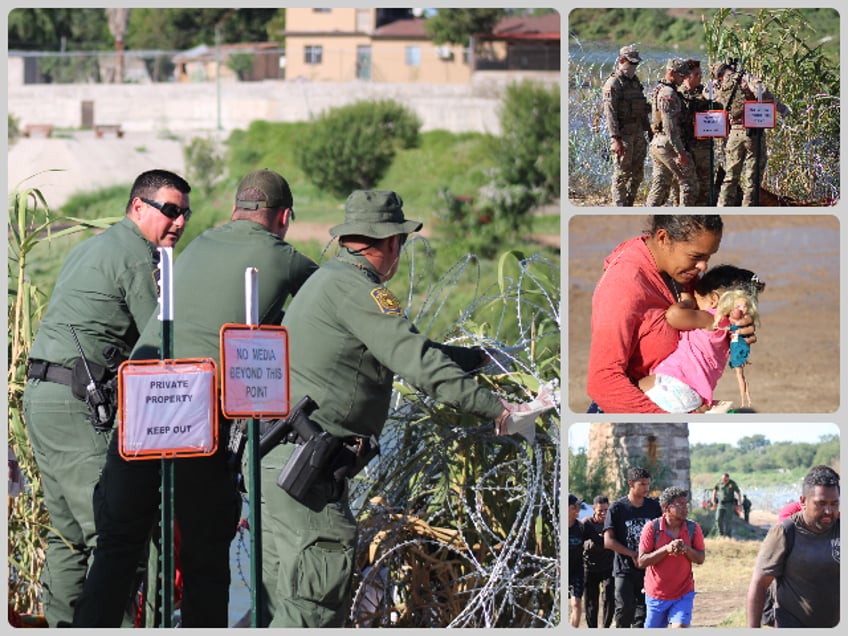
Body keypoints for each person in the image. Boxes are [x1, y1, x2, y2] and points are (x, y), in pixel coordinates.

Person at [258, 189, 528, 627]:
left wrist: (477, 358)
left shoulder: (331, 280)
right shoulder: (358, 290)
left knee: (285, 606)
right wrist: (498, 409)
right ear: (391, 243)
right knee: (312, 609)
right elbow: (417, 363)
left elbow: (411, 349)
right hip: (306, 476)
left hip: (285, 466)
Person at [73, 169, 319, 627]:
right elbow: (328, 306)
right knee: (205, 552)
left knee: (118, 546)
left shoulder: (201, 244)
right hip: (195, 410)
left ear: (233, 212)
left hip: (142, 399)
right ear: (284, 217)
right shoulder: (284, 258)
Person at [21, 169, 192, 627]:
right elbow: (162, 340)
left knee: (67, 536)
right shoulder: (140, 258)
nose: (178, 223)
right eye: (170, 211)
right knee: (113, 535)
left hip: (43, 396)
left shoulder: (93, 247)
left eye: (185, 215)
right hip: (78, 401)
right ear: (138, 207)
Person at [586, 215, 757, 413]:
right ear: (663, 238)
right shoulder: (624, 286)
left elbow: (706, 317)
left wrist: (738, 326)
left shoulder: (680, 273)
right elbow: (603, 381)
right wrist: (668, 421)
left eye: (708, 257)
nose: (703, 267)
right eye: (696, 256)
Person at [637, 264, 765, 413]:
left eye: (697, 299)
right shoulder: (729, 331)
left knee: (630, 390)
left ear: (713, 300)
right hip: (694, 396)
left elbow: (673, 316)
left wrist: (687, 302)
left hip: (673, 384)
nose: (695, 307)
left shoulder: (711, 318)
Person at [746, 465, 839, 627]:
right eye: (821, 503)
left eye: (834, 503)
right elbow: (759, 584)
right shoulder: (785, 532)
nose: (829, 511)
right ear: (803, 501)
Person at [713, 60, 789, 206]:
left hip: (734, 134)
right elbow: (763, 92)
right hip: (752, 131)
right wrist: (781, 109)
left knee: (730, 176)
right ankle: (748, 209)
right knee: (752, 178)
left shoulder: (719, 85)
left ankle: (722, 207)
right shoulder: (744, 78)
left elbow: (711, 99)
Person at [637, 487, 706, 628]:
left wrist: (686, 549)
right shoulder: (652, 528)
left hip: (683, 592)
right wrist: (666, 549)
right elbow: (642, 561)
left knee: (680, 627)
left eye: (686, 504)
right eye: (680, 504)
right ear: (666, 507)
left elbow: (700, 558)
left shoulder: (693, 528)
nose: (685, 508)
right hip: (656, 594)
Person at [603, 466, 662, 628]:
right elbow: (608, 541)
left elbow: (660, 534)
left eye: (648, 484)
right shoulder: (617, 508)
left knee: (644, 614)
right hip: (624, 569)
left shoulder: (653, 507)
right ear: (631, 484)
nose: (646, 488)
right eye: (642, 484)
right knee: (625, 610)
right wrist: (633, 554)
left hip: (648, 569)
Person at [602, 44, 652, 206]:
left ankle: (629, 202)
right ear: (622, 60)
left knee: (638, 173)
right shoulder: (614, 83)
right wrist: (615, 138)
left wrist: (649, 129)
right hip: (623, 135)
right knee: (621, 174)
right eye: (631, 63)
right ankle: (620, 204)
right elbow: (610, 113)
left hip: (638, 132)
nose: (634, 67)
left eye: (636, 64)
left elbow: (642, 107)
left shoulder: (635, 82)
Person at [646, 58, 697, 207]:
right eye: (681, 76)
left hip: (658, 143)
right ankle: (685, 217)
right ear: (671, 72)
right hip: (667, 143)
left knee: (660, 183)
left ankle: (649, 211)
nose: (683, 79)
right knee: (689, 182)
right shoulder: (668, 93)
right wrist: (680, 151)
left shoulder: (660, 89)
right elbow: (670, 126)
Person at [672, 59, 716, 206]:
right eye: (696, 74)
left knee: (705, 183)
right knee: (684, 183)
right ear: (686, 76)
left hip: (703, 146)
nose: (700, 77)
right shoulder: (677, 94)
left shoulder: (705, 92)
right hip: (685, 146)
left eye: (701, 74)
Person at [581, 495, 614, 628]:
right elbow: (579, 543)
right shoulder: (586, 524)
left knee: (609, 597)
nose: (603, 513)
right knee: (591, 602)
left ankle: (606, 627)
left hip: (608, 567)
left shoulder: (612, 524)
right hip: (589, 567)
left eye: (606, 510)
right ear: (594, 509)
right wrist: (595, 543)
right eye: (600, 510)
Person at [568, 494, 585, 628]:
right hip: (561, 571)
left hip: (577, 571)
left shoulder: (581, 527)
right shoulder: (558, 528)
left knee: (576, 603)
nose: (578, 509)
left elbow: (599, 541)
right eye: (575, 506)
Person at [712, 473, 742, 538]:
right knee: (718, 519)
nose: (724, 481)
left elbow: (738, 493)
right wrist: (713, 501)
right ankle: (720, 535)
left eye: (726, 480)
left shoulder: (732, 483)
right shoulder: (719, 483)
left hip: (729, 504)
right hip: (720, 504)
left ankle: (728, 536)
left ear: (728, 478)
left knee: (728, 520)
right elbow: (715, 491)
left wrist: (739, 503)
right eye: (723, 479)